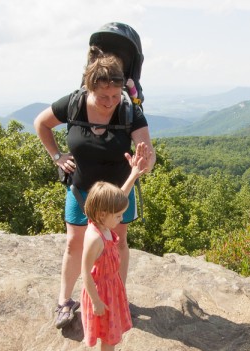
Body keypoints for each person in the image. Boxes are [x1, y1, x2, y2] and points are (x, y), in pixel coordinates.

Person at [34, 46, 156, 329]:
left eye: (115, 95)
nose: (110, 102)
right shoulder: (74, 104)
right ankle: (65, 302)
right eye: (103, 97)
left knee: (118, 244)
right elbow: (41, 124)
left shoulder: (128, 109)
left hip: (118, 194)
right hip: (81, 190)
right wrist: (57, 156)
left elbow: (148, 153)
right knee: (74, 244)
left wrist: (144, 162)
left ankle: (117, 296)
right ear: (89, 88)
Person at [80, 144, 148, 351]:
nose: (121, 219)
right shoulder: (95, 238)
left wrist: (133, 175)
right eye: (118, 216)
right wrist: (96, 301)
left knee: (111, 333)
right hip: (102, 293)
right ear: (102, 213)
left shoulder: (103, 222)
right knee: (108, 335)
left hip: (110, 287)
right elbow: (84, 272)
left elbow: (120, 195)